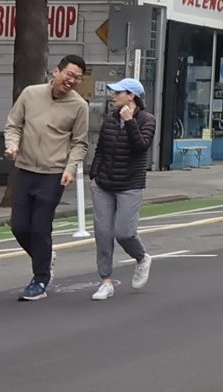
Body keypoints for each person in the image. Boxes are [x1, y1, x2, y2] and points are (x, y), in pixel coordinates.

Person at [4, 55, 89, 301]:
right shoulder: (30, 94)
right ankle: (45, 255)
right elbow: (13, 125)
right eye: (69, 75)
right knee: (19, 226)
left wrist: (70, 168)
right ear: (56, 71)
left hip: (53, 174)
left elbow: (79, 143)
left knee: (40, 228)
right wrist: (12, 145)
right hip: (25, 169)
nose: (71, 81)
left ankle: (40, 280)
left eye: (77, 78)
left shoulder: (79, 106)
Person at [89, 78, 157, 301]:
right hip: (104, 184)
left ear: (132, 96)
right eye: (114, 92)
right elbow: (101, 148)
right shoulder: (110, 119)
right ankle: (105, 281)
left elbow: (142, 146)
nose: (113, 95)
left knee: (124, 233)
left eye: (119, 92)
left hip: (130, 184)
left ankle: (141, 258)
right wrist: (95, 173)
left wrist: (129, 122)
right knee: (103, 233)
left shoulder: (147, 120)